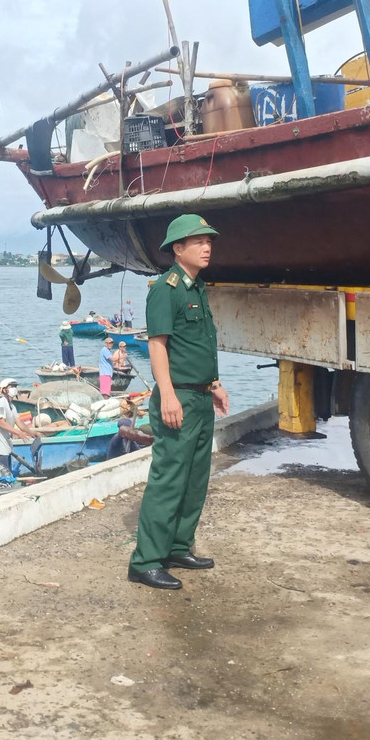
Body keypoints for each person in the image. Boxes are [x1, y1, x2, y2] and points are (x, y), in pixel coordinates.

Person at [128, 213, 230, 591]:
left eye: (210, 241)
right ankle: (146, 561)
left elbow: (199, 343)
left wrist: (215, 384)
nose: (207, 247)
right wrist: (167, 394)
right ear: (178, 249)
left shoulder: (196, 287)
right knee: (169, 479)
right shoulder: (166, 289)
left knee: (194, 478)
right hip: (179, 397)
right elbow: (158, 345)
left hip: (200, 395)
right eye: (199, 241)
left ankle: (177, 546)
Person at [0, 378, 35, 472]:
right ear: (4, 390)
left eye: (15, 387)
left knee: (7, 473)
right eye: (12, 387)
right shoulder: (1, 403)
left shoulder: (12, 406)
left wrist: (32, 432)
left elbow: (19, 422)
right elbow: (2, 423)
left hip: (6, 447)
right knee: (2, 476)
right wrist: (18, 433)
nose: (14, 388)